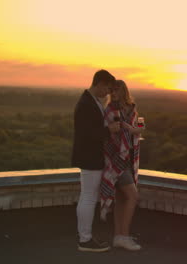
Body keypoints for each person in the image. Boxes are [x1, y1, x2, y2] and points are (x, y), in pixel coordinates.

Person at [72, 69, 119, 252]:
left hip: (89, 156)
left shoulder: (90, 101)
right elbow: (88, 134)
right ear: (99, 83)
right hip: (90, 156)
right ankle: (85, 239)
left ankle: (84, 236)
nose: (107, 92)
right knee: (89, 198)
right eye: (107, 88)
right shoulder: (86, 104)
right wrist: (110, 130)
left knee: (87, 196)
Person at [100, 80, 144, 251]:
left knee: (121, 199)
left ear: (123, 90)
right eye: (112, 90)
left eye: (117, 90)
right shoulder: (110, 110)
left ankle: (118, 236)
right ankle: (124, 237)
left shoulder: (132, 109)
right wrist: (123, 131)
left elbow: (140, 128)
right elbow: (107, 135)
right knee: (133, 196)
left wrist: (133, 130)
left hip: (129, 158)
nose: (114, 93)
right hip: (115, 160)